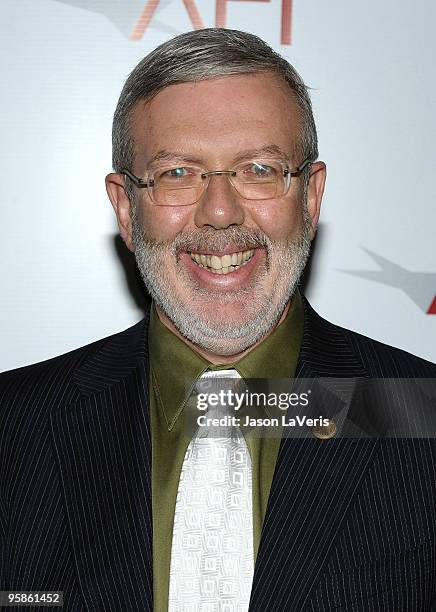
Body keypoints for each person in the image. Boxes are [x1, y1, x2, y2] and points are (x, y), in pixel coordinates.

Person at [1, 28, 435, 612]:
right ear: (126, 209)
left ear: (310, 197)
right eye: (178, 174)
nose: (221, 212)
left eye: (258, 169)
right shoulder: (15, 430)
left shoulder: (420, 415)